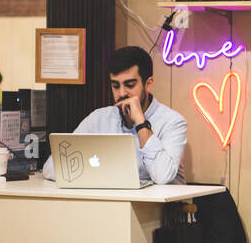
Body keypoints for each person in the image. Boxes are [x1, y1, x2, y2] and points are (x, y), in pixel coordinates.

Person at [42, 45, 188, 185]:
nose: (122, 93)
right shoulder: (99, 119)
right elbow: (50, 168)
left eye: (130, 85)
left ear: (148, 84)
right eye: (115, 86)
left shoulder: (172, 122)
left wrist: (141, 123)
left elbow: (163, 176)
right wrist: (103, 177)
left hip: (160, 209)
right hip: (111, 204)